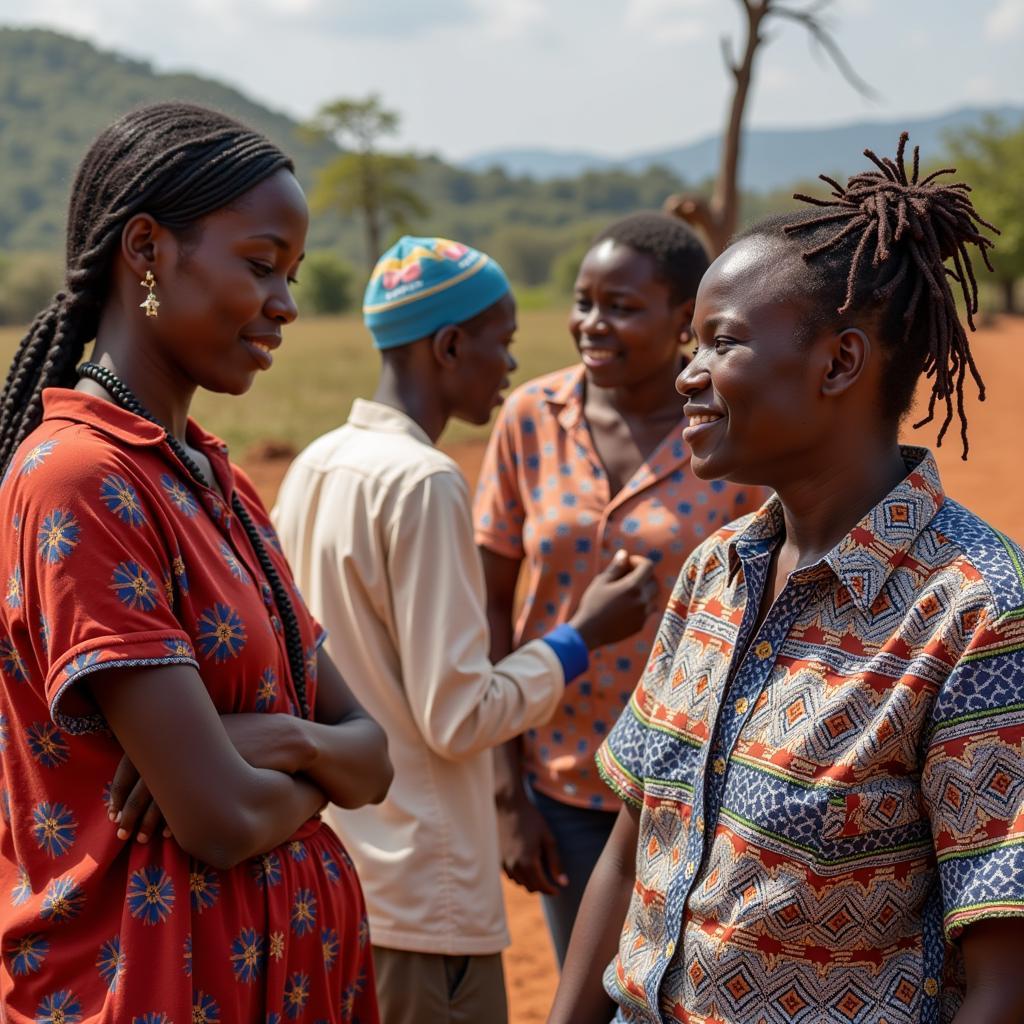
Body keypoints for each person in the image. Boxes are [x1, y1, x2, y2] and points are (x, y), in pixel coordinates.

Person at [549, 134, 1024, 1024]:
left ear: (840, 363)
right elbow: (630, 849)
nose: (687, 374)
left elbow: (1004, 981)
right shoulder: (715, 571)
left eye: (719, 343)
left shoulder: (976, 613)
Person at [0, 103, 393, 1023]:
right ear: (147, 249)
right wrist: (294, 764)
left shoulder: (211, 477)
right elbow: (218, 820)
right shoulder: (81, 479)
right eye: (261, 267)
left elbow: (373, 760)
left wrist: (284, 740)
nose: (287, 303)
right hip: (150, 987)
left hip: (285, 977)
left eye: (291, 274)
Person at [272, 235, 657, 1024]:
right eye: (503, 342)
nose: (512, 365)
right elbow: (459, 717)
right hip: (426, 893)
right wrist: (580, 636)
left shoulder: (316, 465)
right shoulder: (424, 481)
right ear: (448, 346)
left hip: (337, 875)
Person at [473, 212, 769, 963]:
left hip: (701, 789)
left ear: (683, 321)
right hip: (563, 782)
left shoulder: (732, 431)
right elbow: (490, 609)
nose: (593, 324)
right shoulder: (530, 418)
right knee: (589, 985)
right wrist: (509, 797)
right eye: (584, 302)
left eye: (622, 307)